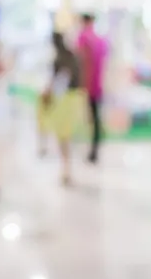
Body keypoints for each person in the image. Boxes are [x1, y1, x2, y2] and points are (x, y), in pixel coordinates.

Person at [43, 32, 83, 185]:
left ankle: (66, 168)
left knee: (63, 136)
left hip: (63, 100)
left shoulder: (58, 60)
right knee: (67, 135)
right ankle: (67, 168)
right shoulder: (72, 56)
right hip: (74, 98)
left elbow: (55, 83)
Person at [76, 14, 107, 164]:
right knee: (95, 118)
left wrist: (82, 84)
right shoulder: (100, 40)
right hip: (98, 86)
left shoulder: (83, 38)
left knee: (88, 119)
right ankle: (94, 150)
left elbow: (81, 62)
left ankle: (90, 151)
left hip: (87, 86)